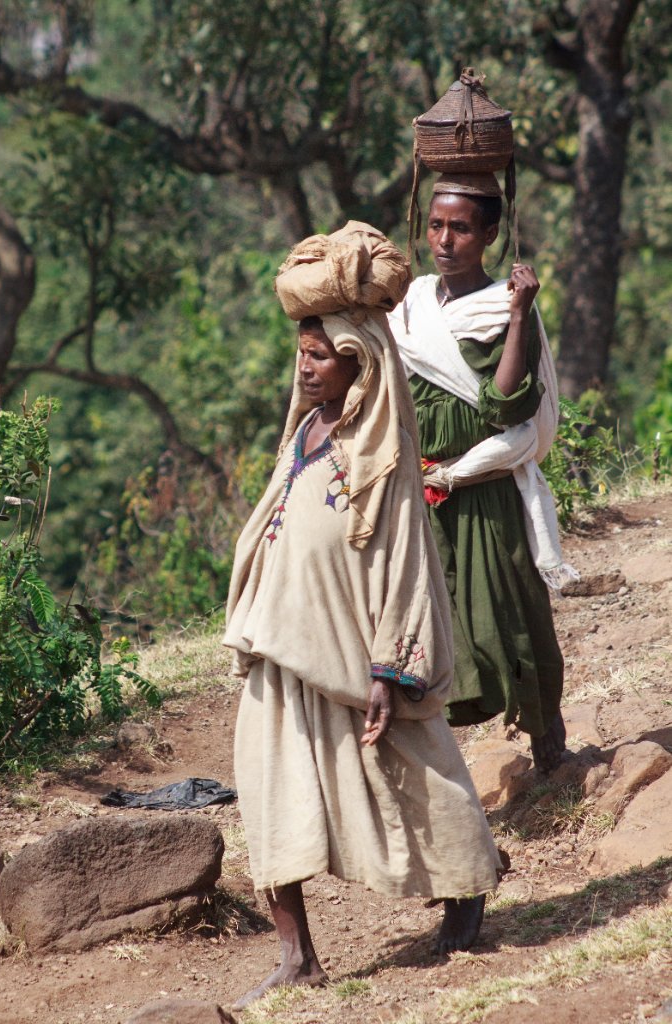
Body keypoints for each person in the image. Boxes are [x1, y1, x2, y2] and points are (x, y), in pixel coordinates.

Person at [223, 222, 502, 1010]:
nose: (304, 368)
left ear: (360, 362)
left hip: (356, 657)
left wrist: (391, 668)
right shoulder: (305, 434)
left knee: (412, 771)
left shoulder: (381, 457)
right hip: (281, 649)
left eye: (319, 357)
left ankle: (464, 890)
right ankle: (296, 955)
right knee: (269, 793)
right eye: (302, 355)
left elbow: (406, 562)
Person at [388, 173, 573, 774]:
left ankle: (550, 748)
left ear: (490, 234)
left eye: (461, 228)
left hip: (486, 491)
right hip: (426, 493)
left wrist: (520, 315)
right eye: (436, 225)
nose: (444, 240)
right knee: (434, 624)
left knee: (516, 615)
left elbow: (505, 407)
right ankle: (436, 767)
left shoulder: (500, 308)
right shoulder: (411, 305)